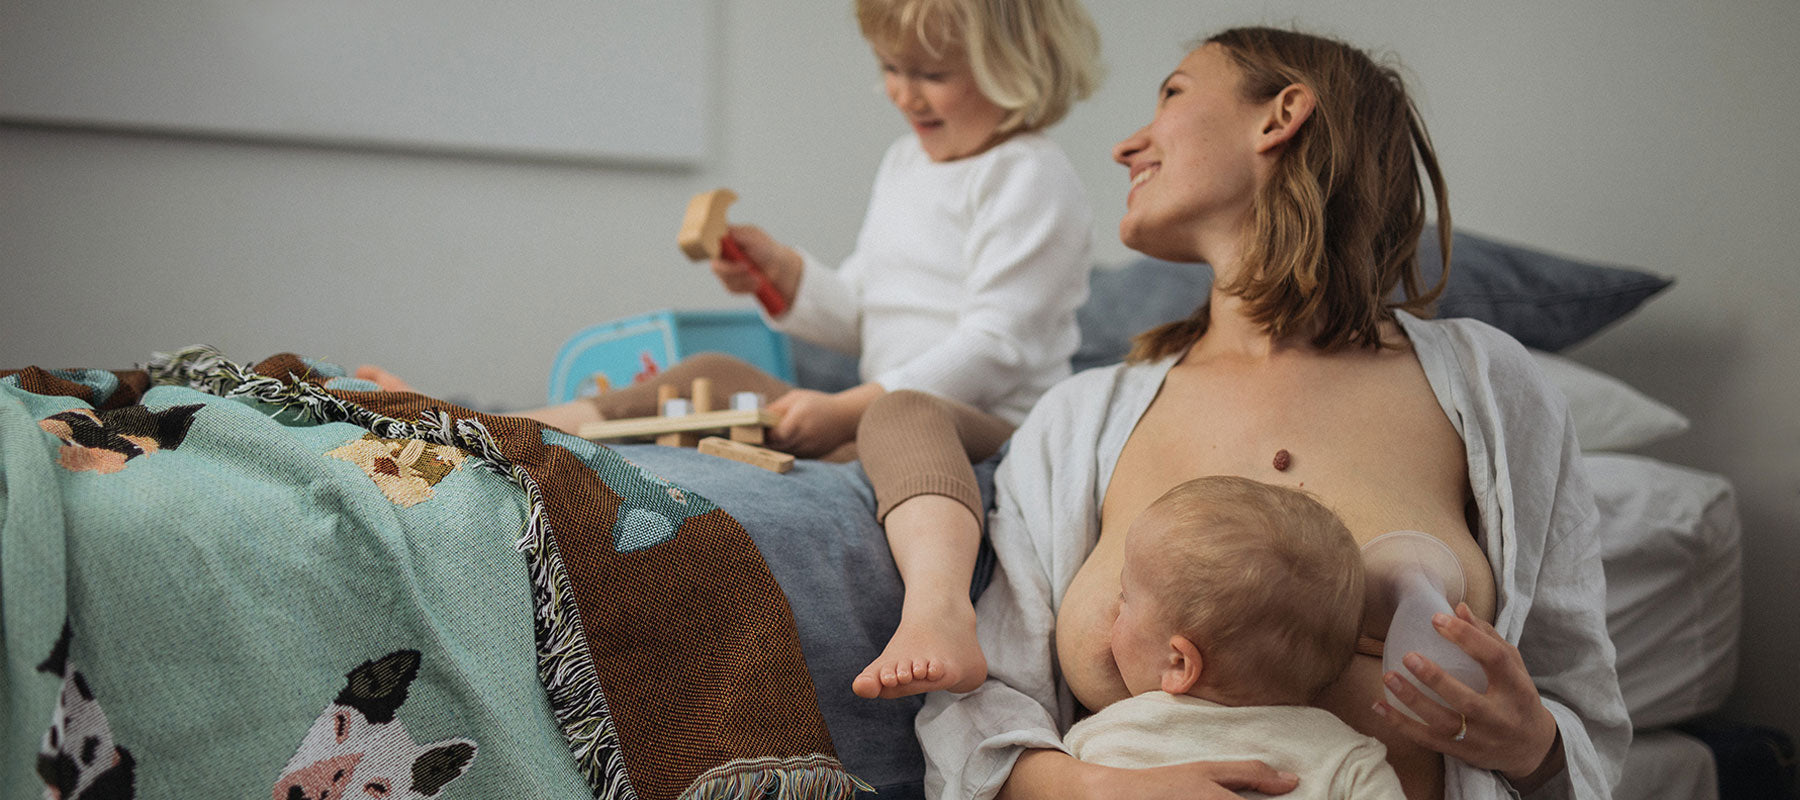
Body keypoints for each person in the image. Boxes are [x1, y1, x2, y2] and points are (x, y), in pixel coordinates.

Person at [911, 26, 1630, 800]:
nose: (1127, 146)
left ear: (1280, 115)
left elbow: (1580, 721)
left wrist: (1533, 746)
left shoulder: (1486, 386)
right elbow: (979, 705)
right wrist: (1097, 788)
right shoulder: (1078, 421)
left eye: (1173, 94)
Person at [359, 0, 1102, 701]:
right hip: (879, 419)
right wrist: (783, 278)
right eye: (891, 68)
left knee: (901, 410)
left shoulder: (1031, 175)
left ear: (1020, 64)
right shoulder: (907, 166)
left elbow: (998, 345)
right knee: (713, 377)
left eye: (932, 75)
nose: (903, 94)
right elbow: (864, 313)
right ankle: (485, 425)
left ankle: (941, 613)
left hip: (988, 434)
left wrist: (848, 407)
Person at [1065, 476, 1404, 800]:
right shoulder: (1347, 760)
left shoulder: (1107, 736)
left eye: (1125, 595)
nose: (1116, 604)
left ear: (1180, 664)